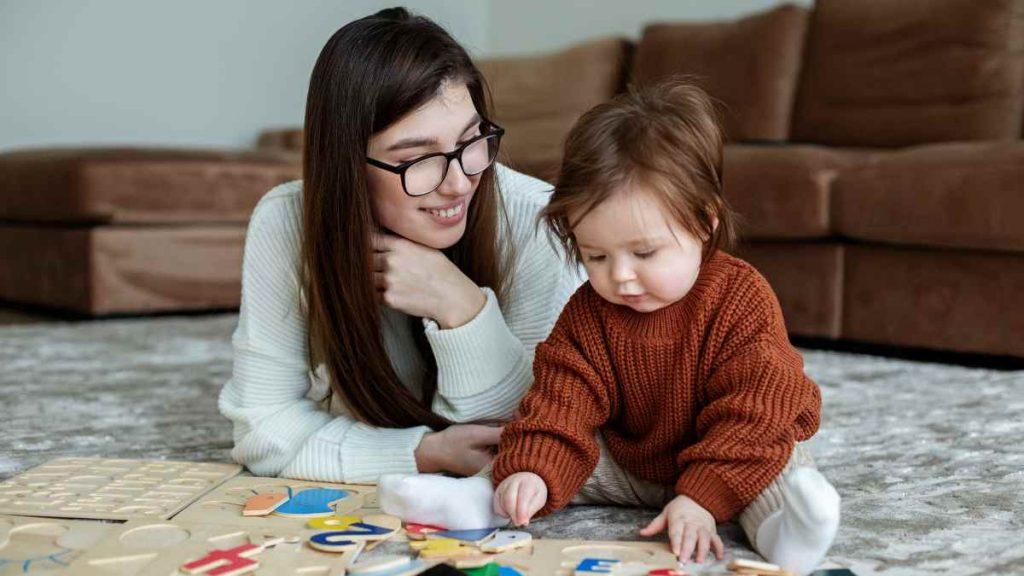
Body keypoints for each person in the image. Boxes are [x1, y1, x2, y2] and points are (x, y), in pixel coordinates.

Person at [490, 81, 841, 574]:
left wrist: (701, 498)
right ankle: (481, 502)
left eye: (644, 252)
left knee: (778, 468)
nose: (621, 275)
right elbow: (562, 398)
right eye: (596, 256)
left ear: (703, 221)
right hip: (636, 465)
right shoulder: (589, 312)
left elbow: (757, 409)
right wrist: (533, 468)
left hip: (728, 450)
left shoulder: (739, 297)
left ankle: (789, 535)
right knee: (528, 458)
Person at [218, 8, 580, 484]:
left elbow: (534, 436)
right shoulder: (287, 221)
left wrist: (461, 306)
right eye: (419, 159)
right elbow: (263, 431)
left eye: (472, 140)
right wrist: (424, 453)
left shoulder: (538, 221)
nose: (459, 183)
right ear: (347, 164)